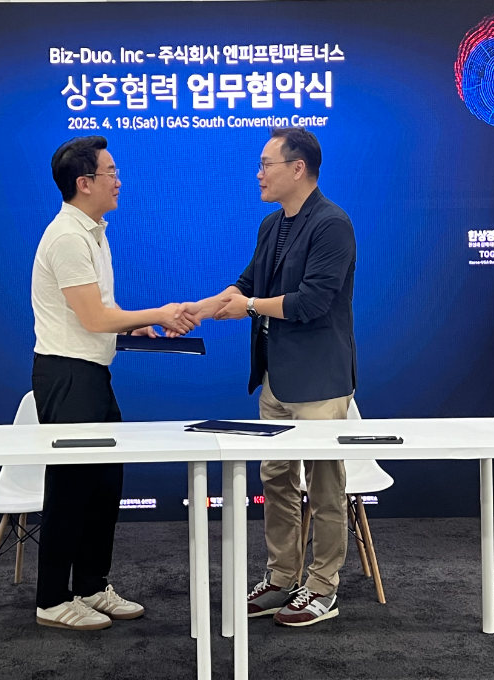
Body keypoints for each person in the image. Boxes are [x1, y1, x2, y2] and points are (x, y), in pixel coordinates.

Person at [180, 127, 357, 627]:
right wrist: (199, 309)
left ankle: (322, 586)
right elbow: (246, 285)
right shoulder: (271, 224)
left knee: (324, 485)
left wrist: (252, 306)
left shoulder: (332, 224)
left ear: (298, 168)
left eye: (266, 164)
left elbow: (312, 302)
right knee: (276, 478)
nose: (258, 174)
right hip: (276, 377)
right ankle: (282, 578)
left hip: (319, 380)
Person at [32, 135, 193, 630]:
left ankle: (91, 586)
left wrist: (133, 326)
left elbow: (102, 312)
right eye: (111, 173)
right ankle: (52, 600)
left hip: (92, 373)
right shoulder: (67, 237)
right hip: (68, 375)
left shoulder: (95, 232)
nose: (119, 181)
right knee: (70, 489)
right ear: (84, 183)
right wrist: (158, 313)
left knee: (103, 487)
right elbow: (94, 319)